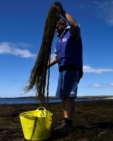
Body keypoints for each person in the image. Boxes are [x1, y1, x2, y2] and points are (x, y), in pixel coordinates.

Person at [48, 2, 83, 132]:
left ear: (63, 24)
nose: (56, 27)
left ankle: (70, 123)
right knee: (63, 96)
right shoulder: (58, 42)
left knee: (69, 96)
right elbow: (56, 57)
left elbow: (75, 24)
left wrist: (62, 11)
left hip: (72, 68)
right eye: (55, 26)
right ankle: (65, 122)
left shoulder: (72, 33)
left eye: (58, 24)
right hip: (62, 70)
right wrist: (45, 66)